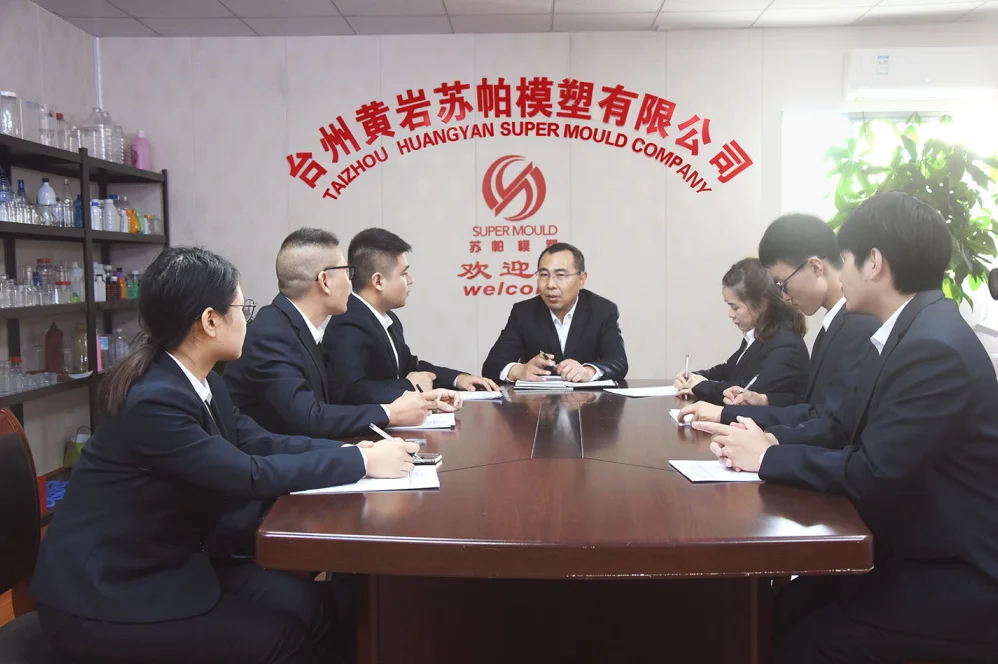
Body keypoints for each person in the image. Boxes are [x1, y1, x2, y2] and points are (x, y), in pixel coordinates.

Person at [29, 246, 419, 664]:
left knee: (313, 606)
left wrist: (354, 449)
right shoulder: (155, 399)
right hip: (108, 593)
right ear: (210, 321)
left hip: (171, 561)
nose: (247, 321)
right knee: (283, 638)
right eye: (241, 309)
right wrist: (360, 464)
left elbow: (259, 441)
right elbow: (247, 474)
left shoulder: (203, 382)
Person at [695, 192, 998, 663]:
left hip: (957, 572)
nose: (842, 273)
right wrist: (767, 442)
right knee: (777, 610)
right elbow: (842, 427)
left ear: (873, 262)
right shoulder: (911, 329)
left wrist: (768, 457)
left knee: (802, 641)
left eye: (847, 259)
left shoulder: (932, 347)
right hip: (915, 546)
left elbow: (874, 471)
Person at [215, 228, 461, 560]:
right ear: (325, 281)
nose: (352, 280)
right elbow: (308, 417)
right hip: (260, 497)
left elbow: (328, 402)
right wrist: (388, 414)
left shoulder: (296, 327)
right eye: (347, 271)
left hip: (296, 464)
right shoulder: (272, 333)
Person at [682, 215, 879, 436]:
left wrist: (729, 417)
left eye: (782, 284)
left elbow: (832, 423)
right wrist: (766, 401)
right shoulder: (834, 326)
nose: (784, 296)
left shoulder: (859, 327)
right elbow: (813, 405)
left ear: (816, 267)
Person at [324, 228, 498, 405]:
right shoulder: (348, 324)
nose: (410, 279)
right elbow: (350, 392)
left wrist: (458, 379)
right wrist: (408, 386)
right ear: (378, 281)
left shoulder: (388, 319)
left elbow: (410, 368)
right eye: (403, 273)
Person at [481, 242, 628, 383]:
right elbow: (492, 365)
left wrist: (588, 371)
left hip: (588, 400)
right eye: (544, 275)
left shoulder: (602, 311)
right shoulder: (524, 313)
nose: (550, 285)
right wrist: (519, 371)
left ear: (581, 280)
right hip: (538, 400)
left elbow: (618, 362)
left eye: (561, 275)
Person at [674, 257, 808, 406]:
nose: (730, 314)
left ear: (762, 304)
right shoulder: (759, 335)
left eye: (735, 307)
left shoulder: (786, 346)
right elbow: (729, 371)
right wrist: (694, 377)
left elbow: (748, 392)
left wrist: (700, 386)